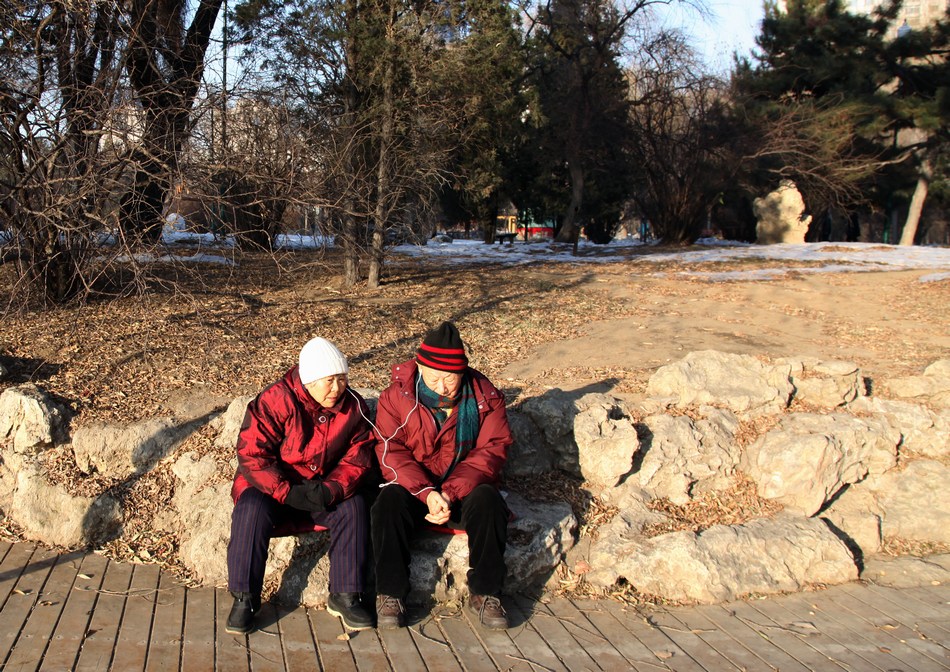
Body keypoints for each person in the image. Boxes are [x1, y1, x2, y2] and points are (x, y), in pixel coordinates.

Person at [226, 337, 376, 634]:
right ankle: (245, 598)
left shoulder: (353, 407)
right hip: (275, 489)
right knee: (250, 508)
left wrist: (332, 489)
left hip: (322, 488)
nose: (337, 388)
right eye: (329, 381)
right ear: (309, 381)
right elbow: (252, 454)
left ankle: (345, 595)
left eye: (342, 379)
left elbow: (359, 457)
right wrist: (286, 491)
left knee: (354, 506)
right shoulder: (275, 400)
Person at [371, 321, 513, 630]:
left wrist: (449, 493)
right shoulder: (396, 398)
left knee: (489, 500)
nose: (442, 385)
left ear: (463, 373)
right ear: (419, 366)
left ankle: (487, 592)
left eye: (450, 377)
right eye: (434, 376)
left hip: (462, 491)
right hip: (417, 491)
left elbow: (491, 451)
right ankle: (390, 593)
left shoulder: (485, 398)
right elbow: (390, 451)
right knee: (388, 501)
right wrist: (426, 493)